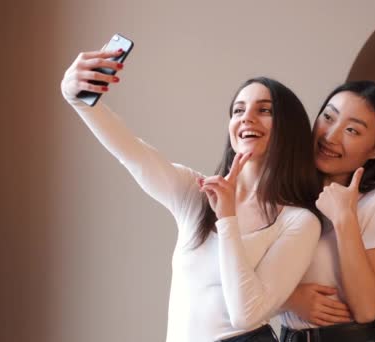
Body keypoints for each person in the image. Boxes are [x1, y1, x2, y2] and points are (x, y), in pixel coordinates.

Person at [60, 48, 323, 342]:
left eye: (264, 110)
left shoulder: (299, 222)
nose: (247, 118)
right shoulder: (197, 194)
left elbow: (246, 314)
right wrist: (79, 100)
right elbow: (134, 154)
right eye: (238, 110)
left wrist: (227, 219)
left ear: (289, 128)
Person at [279, 81, 375, 342]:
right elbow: (238, 279)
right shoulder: (286, 195)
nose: (331, 136)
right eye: (328, 117)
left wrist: (344, 219)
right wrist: (290, 298)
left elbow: (367, 308)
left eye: (352, 130)